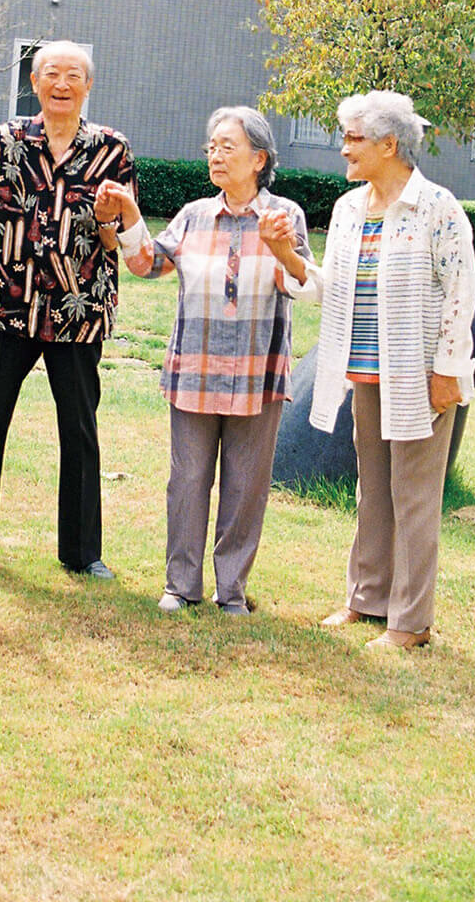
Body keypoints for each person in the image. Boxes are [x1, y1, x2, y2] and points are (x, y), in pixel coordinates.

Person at [262, 90, 475, 650]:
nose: (343, 149)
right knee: (373, 490)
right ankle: (367, 598)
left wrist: (448, 369)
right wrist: (287, 257)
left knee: (414, 495)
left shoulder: (437, 206)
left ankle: (411, 621)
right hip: (363, 371)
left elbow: (460, 291)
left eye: (353, 138)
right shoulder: (348, 209)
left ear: (389, 144)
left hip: (419, 377)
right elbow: (328, 288)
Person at [93, 108, 312, 614]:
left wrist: (282, 249)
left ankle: (230, 589)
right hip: (194, 368)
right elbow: (148, 262)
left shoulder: (284, 215)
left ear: (259, 158)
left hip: (258, 373)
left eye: (228, 146)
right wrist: (127, 214)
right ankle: (180, 585)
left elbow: (298, 284)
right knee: (188, 480)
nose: (215, 155)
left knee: (246, 485)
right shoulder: (194, 214)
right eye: (211, 146)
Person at [0, 40, 136, 579]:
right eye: (52, 73)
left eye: (74, 75)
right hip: (10, 304)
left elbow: (118, 239)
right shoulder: (6, 139)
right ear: (34, 82)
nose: (62, 83)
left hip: (79, 312)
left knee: (79, 430)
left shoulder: (112, 149)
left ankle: (82, 553)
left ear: (88, 86)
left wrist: (104, 219)